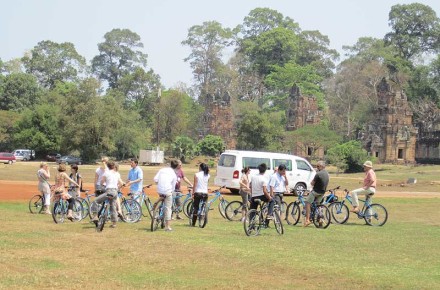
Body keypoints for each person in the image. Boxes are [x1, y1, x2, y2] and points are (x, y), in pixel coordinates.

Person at [95, 160, 125, 228]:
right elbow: (121, 183)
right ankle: (114, 223)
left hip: (109, 191)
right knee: (113, 207)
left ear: (108, 167)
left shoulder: (106, 173)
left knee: (96, 200)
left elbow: (102, 182)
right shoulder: (117, 173)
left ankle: (95, 216)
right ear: (114, 166)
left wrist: (102, 185)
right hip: (115, 191)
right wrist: (117, 187)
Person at [153, 160, 179, 231]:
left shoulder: (162, 170)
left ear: (170, 164)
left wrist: (159, 184)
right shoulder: (174, 175)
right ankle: (167, 227)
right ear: (176, 167)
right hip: (168, 191)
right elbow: (173, 187)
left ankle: (157, 203)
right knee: (168, 208)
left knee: (162, 196)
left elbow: (155, 179)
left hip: (160, 190)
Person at [304, 160, 329, 227]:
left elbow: (312, 183)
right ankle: (320, 218)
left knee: (307, 203)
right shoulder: (327, 173)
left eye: (317, 166)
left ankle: (307, 220)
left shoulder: (318, 174)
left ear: (321, 166)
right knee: (318, 205)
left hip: (316, 192)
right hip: (322, 192)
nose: (317, 167)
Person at [191, 163, 210, 227]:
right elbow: (206, 184)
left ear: (200, 168)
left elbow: (195, 185)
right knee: (203, 207)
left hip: (198, 192)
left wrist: (193, 193)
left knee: (196, 207)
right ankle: (204, 219)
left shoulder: (196, 174)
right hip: (205, 193)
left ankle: (193, 223)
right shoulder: (208, 175)